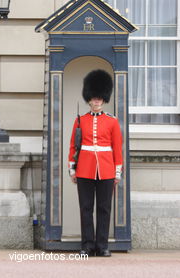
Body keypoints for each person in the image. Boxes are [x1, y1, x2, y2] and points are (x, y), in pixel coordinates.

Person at [68, 69, 123, 257]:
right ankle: (87, 246)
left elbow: (117, 148)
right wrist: (72, 169)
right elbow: (73, 147)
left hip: (106, 169)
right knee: (85, 208)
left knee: (104, 208)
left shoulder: (112, 122)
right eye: (93, 98)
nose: (96, 101)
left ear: (104, 99)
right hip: (84, 168)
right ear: (89, 99)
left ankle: (102, 246)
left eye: (100, 98)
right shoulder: (80, 120)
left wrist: (117, 172)